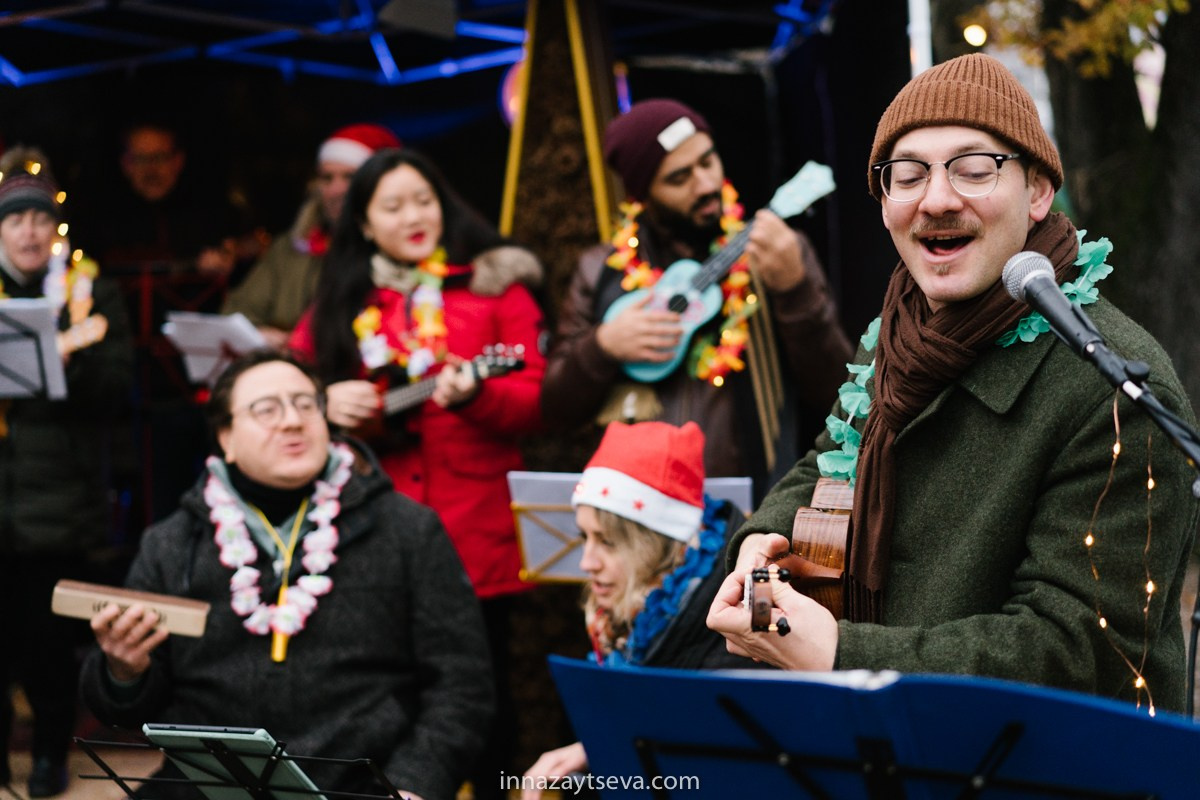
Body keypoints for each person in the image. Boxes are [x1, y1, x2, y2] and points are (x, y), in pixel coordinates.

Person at [708, 53, 1200, 714]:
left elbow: (1073, 654)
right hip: (884, 754)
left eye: (974, 169)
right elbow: (826, 469)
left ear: (1037, 192)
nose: (937, 198)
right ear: (884, 203)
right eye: (906, 175)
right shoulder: (896, 335)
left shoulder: (1113, 389)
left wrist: (841, 655)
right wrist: (755, 550)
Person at [79, 351, 493, 800]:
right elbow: (130, 707)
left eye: (305, 404)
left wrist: (415, 783)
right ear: (226, 438)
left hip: (365, 787)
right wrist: (124, 671)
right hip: (207, 789)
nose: (292, 421)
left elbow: (462, 684)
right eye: (267, 410)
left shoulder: (406, 530)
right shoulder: (172, 543)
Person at [286, 147, 545, 798]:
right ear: (365, 224)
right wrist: (325, 402)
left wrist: (478, 395)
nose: (414, 216)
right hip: (373, 536)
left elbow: (538, 398)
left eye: (424, 199)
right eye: (393, 206)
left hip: (477, 535)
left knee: (483, 704)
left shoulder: (493, 287)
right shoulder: (342, 296)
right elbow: (287, 382)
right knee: (386, 702)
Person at [540, 98, 854, 498]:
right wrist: (602, 347)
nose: (706, 184)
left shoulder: (775, 252)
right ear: (642, 194)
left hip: (750, 508)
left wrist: (796, 291)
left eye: (708, 161)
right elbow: (554, 410)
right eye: (679, 177)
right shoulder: (602, 270)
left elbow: (836, 396)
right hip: (635, 506)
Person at [521, 421, 760, 797]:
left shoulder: (732, 624)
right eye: (585, 537)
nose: (586, 563)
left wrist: (605, 748)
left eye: (608, 542)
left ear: (658, 545)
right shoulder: (622, 614)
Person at [0, 148, 134, 797]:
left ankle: (52, 752)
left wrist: (64, 364)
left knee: (48, 642)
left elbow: (117, 389)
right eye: (13, 219)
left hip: (61, 503)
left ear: (55, 229)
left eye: (37, 218)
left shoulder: (90, 293)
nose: (27, 231)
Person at [222, 123, 401, 349]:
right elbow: (237, 312)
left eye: (349, 177)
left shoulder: (397, 250)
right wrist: (258, 334)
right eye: (327, 178)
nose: (336, 190)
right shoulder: (291, 247)